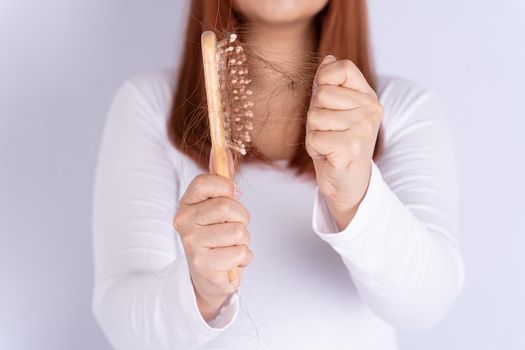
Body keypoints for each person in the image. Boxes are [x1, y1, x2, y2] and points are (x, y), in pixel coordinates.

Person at [92, 0, 465, 349]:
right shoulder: (149, 107)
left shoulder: (402, 111)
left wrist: (356, 194)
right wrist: (199, 291)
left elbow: (425, 306)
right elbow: (122, 324)